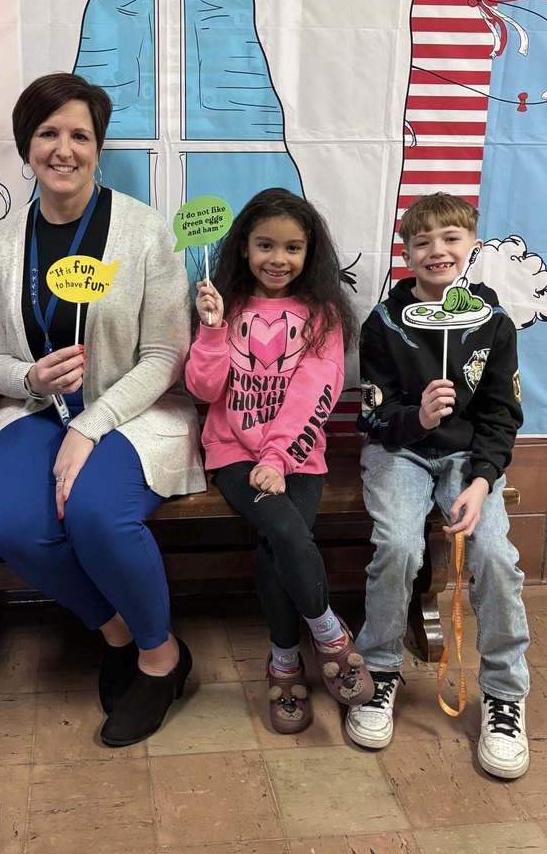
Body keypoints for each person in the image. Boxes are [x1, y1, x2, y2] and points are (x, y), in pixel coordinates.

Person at [0, 72, 205, 747]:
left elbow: (164, 356)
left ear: (98, 148)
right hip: (35, 411)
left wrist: (91, 425)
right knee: (15, 527)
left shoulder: (146, 232)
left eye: (80, 135)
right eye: (48, 133)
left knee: (97, 513)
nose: (63, 149)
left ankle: (161, 659)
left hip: (133, 412)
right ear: (27, 146)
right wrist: (29, 374)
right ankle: (118, 631)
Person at [347, 192, 530, 779]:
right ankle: (378, 672)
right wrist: (418, 418)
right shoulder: (383, 323)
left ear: (471, 245)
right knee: (399, 547)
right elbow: (374, 417)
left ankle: (504, 693)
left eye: (451, 238)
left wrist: (482, 481)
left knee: (495, 555)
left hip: (468, 461)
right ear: (406, 252)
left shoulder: (493, 324)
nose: (437, 250)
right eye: (422, 241)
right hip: (398, 452)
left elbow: (502, 415)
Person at [185, 188, 373, 734]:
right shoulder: (224, 304)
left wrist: (278, 455)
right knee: (287, 533)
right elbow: (203, 389)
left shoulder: (324, 315)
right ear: (244, 246)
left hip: (299, 455)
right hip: (232, 455)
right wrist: (212, 329)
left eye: (292, 247)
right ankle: (330, 635)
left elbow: (317, 391)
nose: (278, 259)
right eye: (265, 245)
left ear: (310, 252)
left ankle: (284, 659)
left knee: (278, 546)